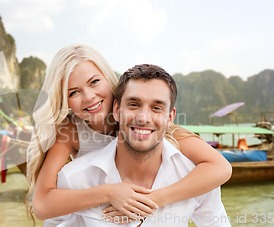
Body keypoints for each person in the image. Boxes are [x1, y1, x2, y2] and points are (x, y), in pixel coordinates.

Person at [26, 44, 232, 221]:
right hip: (99, 215)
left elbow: (221, 167)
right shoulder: (71, 130)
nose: (88, 97)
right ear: (65, 101)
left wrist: (154, 199)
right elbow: (42, 204)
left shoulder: (145, 123)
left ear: (109, 79)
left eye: (94, 82)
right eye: (73, 92)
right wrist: (109, 193)